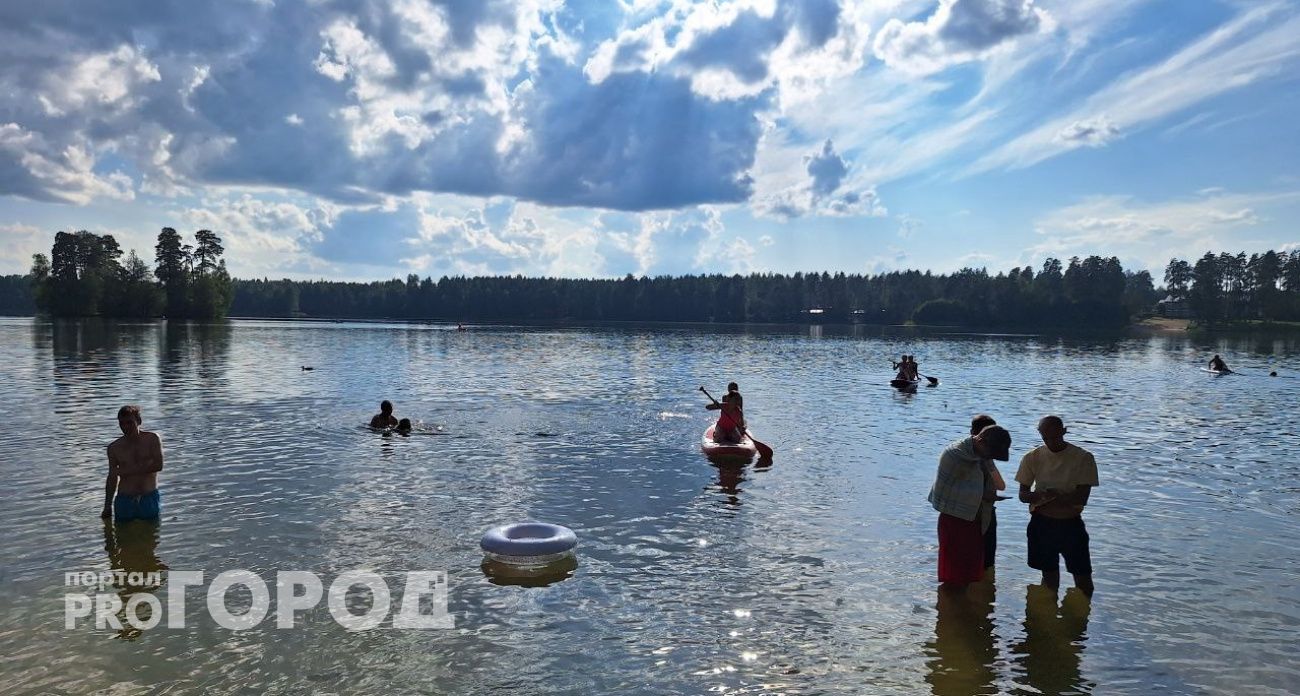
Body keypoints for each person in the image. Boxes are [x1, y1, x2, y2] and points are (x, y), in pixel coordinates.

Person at [1016, 416, 1099, 596]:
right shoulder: (1032, 457)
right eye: (1046, 438)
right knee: (1049, 579)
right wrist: (1037, 496)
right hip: (1042, 523)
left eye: (1055, 437)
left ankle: (1080, 616)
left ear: (1064, 431)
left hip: (1071, 525)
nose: (1051, 442)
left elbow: (1082, 498)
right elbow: (1022, 495)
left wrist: (1055, 497)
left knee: (1084, 580)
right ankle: (1047, 617)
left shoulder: (1083, 458)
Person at [928, 424, 1012, 589]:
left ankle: (961, 604)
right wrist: (984, 495)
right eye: (991, 453)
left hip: (975, 519)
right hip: (954, 519)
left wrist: (985, 495)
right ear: (980, 441)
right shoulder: (955, 455)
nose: (991, 457)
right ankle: (950, 609)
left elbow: (991, 484)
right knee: (953, 574)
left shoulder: (981, 455)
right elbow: (946, 491)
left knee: (970, 571)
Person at [102, 405, 163, 522]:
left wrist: (126, 471)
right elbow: (112, 477)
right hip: (124, 499)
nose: (125, 427)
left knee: (150, 537)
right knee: (121, 536)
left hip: (148, 497)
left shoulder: (152, 439)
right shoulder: (114, 448)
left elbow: (158, 465)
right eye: (122, 423)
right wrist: (107, 505)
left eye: (129, 422)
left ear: (139, 421)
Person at [971, 415, 1007, 577]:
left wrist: (988, 462)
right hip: (968, 514)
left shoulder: (988, 457)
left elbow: (1001, 486)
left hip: (987, 513)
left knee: (987, 563)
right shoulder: (963, 456)